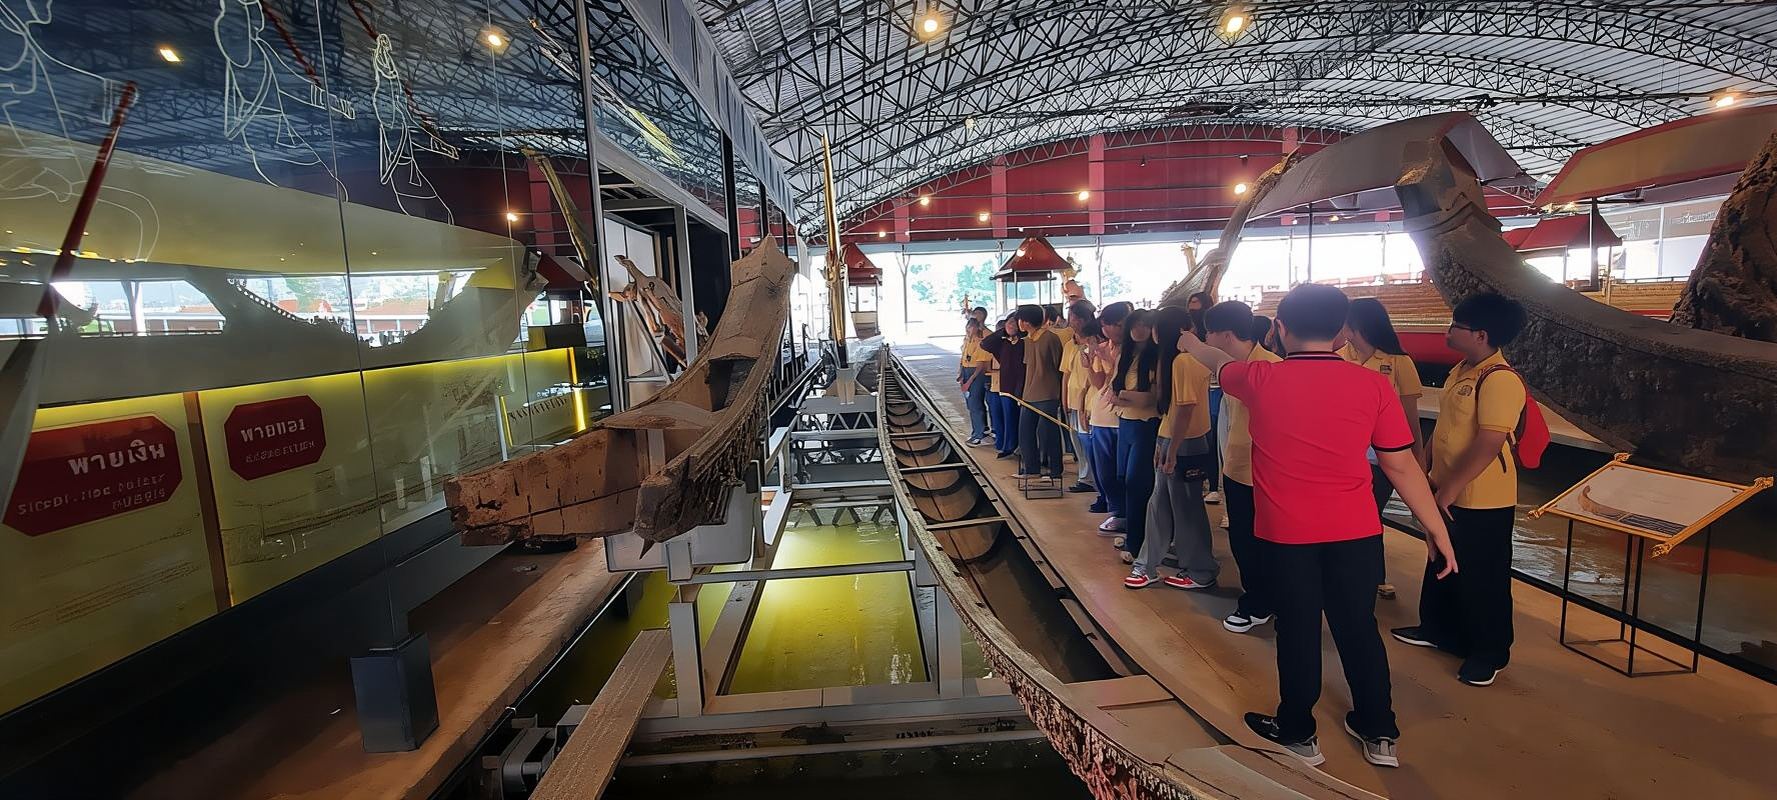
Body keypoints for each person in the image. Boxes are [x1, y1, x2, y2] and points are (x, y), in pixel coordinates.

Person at [1179, 283, 1458, 770]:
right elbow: (1401, 465)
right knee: (1358, 628)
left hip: (1287, 535)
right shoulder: (1373, 384)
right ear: (1341, 331)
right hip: (1356, 531)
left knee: (1299, 628)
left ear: (1279, 329)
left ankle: (1299, 733)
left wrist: (1188, 341)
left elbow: (1214, 360)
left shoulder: (1260, 379)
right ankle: (1378, 730)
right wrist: (1436, 527)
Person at [1391, 292, 1527, 689]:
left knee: (1483, 574)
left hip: (1483, 498)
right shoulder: (1462, 371)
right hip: (1445, 486)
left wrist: (1449, 488)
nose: (1448, 331)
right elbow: (1448, 427)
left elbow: (1488, 442)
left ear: (1481, 334)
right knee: (1440, 562)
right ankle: (1439, 630)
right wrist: (1427, 470)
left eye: (1456, 326)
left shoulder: (1500, 380)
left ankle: (1489, 651)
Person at [1338, 297, 1427, 599]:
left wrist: (1418, 457)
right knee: (1348, 514)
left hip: (1380, 455)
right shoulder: (1339, 357)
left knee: (1369, 513)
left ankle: (1371, 575)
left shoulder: (1399, 362)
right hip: (1343, 452)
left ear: (1356, 326)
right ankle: (1355, 571)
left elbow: (1409, 415)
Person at [1201, 301, 1282, 632]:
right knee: (1243, 541)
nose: (1205, 338)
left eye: (1208, 332)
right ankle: (1262, 598)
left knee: (1261, 543)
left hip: (1262, 473)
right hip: (1236, 469)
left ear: (1226, 335)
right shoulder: (1231, 369)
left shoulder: (1271, 369)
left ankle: (1261, 604)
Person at [1127, 306, 1217, 590]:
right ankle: (1147, 565)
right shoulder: (1175, 361)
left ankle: (1201, 570)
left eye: (1153, 326)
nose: (1150, 332)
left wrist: (1173, 448)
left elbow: (1185, 410)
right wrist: (1162, 443)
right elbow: (1171, 411)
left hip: (1186, 443)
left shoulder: (1184, 362)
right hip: (1173, 440)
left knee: (1186, 509)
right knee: (1160, 505)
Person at [1108, 309, 1162, 564]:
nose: (1138, 330)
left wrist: (1123, 395)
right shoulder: (1125, 355)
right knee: (1124, 479)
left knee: (1137, 483)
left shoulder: (1157, 358)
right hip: (1125, 423)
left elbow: (1150, 399)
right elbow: (1112, 389)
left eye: (1144, 325)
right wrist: (1126, 395)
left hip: (1145, 424)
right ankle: (1133, 534)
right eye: (1134, 325)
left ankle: (1138, 542)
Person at [1086, 302, 1133, 534]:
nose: (1111, 330)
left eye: (1116, 325)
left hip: (1124, 417)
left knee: (1124, 471)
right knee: (1104, 470)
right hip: (1102, 415)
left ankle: (1128, 513)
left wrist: (1109, 359)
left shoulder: (1135, 350)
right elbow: (1100, 383)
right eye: (1106, 325)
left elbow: (1124, 377)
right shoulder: (1104, 347)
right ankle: (1117, 511)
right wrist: (1089, 366)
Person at [1015, 304, 1065, 481]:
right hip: (1029, 394)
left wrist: (1060, 394)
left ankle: (1055, 471)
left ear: (1026, 321)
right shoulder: (1027, 340)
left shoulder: (1050, 338)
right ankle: (1032, 469)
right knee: (1025, 432)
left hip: (1048, 393)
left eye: (1020, 319)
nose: (1018, 323)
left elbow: (1059, 366)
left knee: (1048, 433)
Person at [1187, 291, 1224, 506]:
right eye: (1190, 305)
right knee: (1203, 438)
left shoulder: (1212, 334)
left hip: (1217, 389)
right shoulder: (1190, 336)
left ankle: (1214, 485)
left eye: (1196, 305)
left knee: (1216, 440)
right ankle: (1203, 480)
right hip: (1199, 390)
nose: (1193, 310)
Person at [1059, 299, 1099, 494]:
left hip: (1090, 402)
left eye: (1074, 318)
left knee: (1089, 441)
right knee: (1078, 441)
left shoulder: (1096, 343)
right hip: (1073, 401)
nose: (1071, 322)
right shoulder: (1069, 345)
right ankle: (1085, 477)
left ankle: (1093, 478)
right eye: (1070, 318)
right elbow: (1066, 374)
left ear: (1084, 320)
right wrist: (1064, 399)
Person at [979, 315, 1026, 460]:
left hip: (1022, 385)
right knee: (1008, 416)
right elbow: (985, 344)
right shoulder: (1003, 343)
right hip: (1006, 386)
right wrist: (1004, 332)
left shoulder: (1025, 342)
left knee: (1022, 419)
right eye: (1009, 323)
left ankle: (1022, 447)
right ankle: (1009, 445)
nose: (1011, 325)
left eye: (1014, 323)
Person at [958, 317, 993, 446]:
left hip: (976, 373)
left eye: (972, 326)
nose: (969, 329)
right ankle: (980, 429)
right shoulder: (967, 340)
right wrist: (961, 374)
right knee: (970, 404)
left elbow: (981, 365)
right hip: (966, 371)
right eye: (968, 326)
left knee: (975, 404)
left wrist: (970, 381)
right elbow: (962, 358)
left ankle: (978, 434)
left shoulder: (981, 342)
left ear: (978, 327)